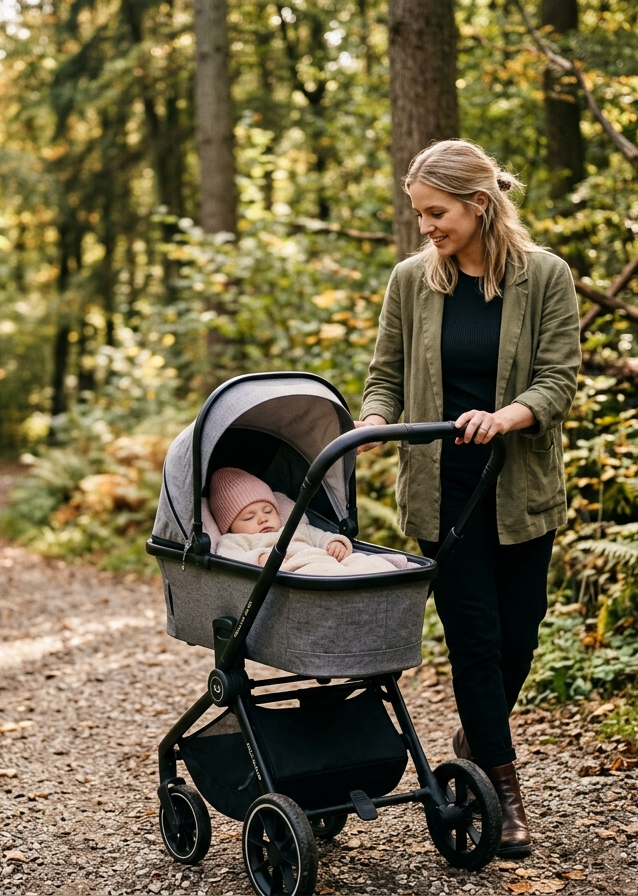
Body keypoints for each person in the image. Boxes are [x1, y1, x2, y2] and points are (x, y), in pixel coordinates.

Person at [356, 140, 581, 858]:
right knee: (475, 641)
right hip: (443, 491)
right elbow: (383, 375)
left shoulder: (545, 277)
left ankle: (476, 733)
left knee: (520, 636)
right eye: (418, 213)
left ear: (479, 205)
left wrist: (506, 416)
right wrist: (370, 422)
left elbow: (558, 379)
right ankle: (505, 791)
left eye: (437, 212)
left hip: (518, 487)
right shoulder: (411, 282)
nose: (425, 227)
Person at [209, 467, 406, 575]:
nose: (262, 519)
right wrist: (259, 558)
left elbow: (322, 536)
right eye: (249, 517)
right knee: (328, 574)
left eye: (268, 510)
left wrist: (335, 543)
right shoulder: (235, 541)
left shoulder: (296, 528)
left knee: (364, 562)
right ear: (230, 526)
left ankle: (385, 575)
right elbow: (228, 560)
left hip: (327, 559)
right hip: (299, 570)